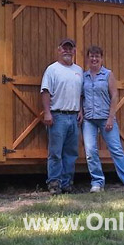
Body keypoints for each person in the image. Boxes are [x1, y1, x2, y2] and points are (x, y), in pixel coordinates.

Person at [80, 46, 124, 193]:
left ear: (101, 58)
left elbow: (114, 96)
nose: (94, 59)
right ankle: (97, 182)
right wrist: (80, 111)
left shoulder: (108, 74)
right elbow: (81, 96)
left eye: (97, 56)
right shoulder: (84, 76)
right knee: (90, 151)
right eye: (91, 56)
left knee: (116, 150)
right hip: (89, 120)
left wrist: (111, 118)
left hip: (106, 118)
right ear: (88, 58)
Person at [41, 38, 83, 195]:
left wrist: (80, 110)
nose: (67, 50)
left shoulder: (79, 70)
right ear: (59, 50)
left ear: (74, 51)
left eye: (70, 48)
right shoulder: (52, 70)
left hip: (74, 117)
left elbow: (80, 94)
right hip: (57, 116)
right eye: (64, 48)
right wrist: (47, 112)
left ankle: (67, 183)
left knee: (71, 153)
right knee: (55, 152)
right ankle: (54, 183)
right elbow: (45, 91)